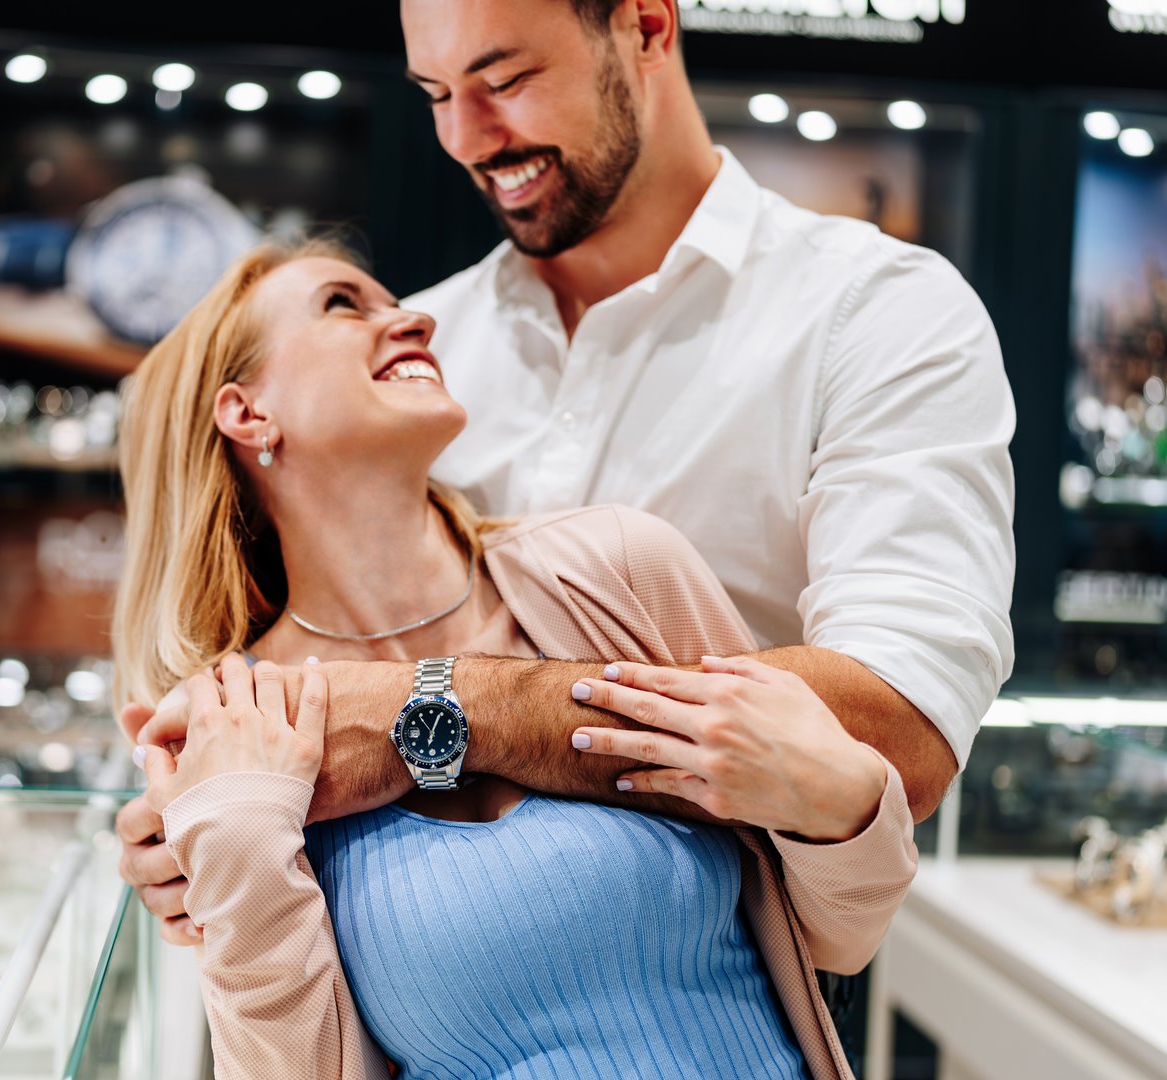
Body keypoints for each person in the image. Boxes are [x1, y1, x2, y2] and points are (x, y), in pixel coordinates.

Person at [117, 0, 1014, 948]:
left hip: (752, 966)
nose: (467, 138)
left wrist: (429, 713)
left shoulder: (874, 315)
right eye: (437, 94)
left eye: (505, 80)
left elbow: (901, 732)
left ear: (647, 28)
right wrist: (189, 834)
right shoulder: (418, 355)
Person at [112, 240, 919, 1079]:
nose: (413, 318)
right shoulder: (245, 728)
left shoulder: (616, 572)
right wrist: (232, 834)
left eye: (396, 302)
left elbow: (840, 930)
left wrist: (847, 802)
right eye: (344, 305)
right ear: (247, 415)